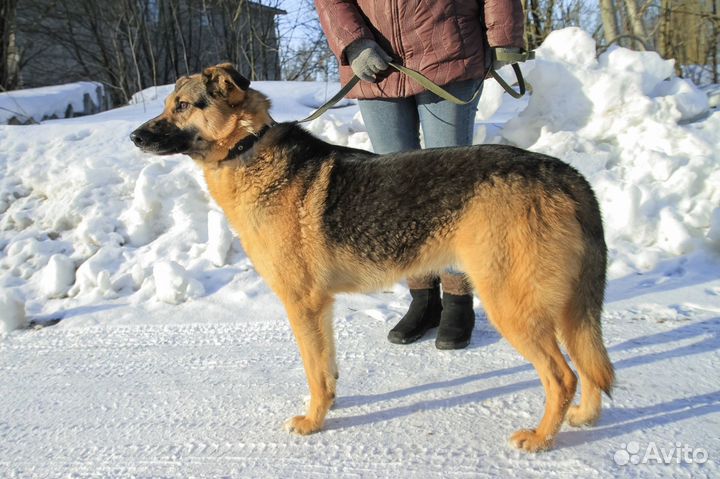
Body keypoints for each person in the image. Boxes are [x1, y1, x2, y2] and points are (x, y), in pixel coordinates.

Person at [315, 0, 526, 349]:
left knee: (453, 189)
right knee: (395, 193)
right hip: (375, 64)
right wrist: (353, 42)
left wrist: (504, 35)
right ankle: (423, 298)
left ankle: (459, 299)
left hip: (449, 48)